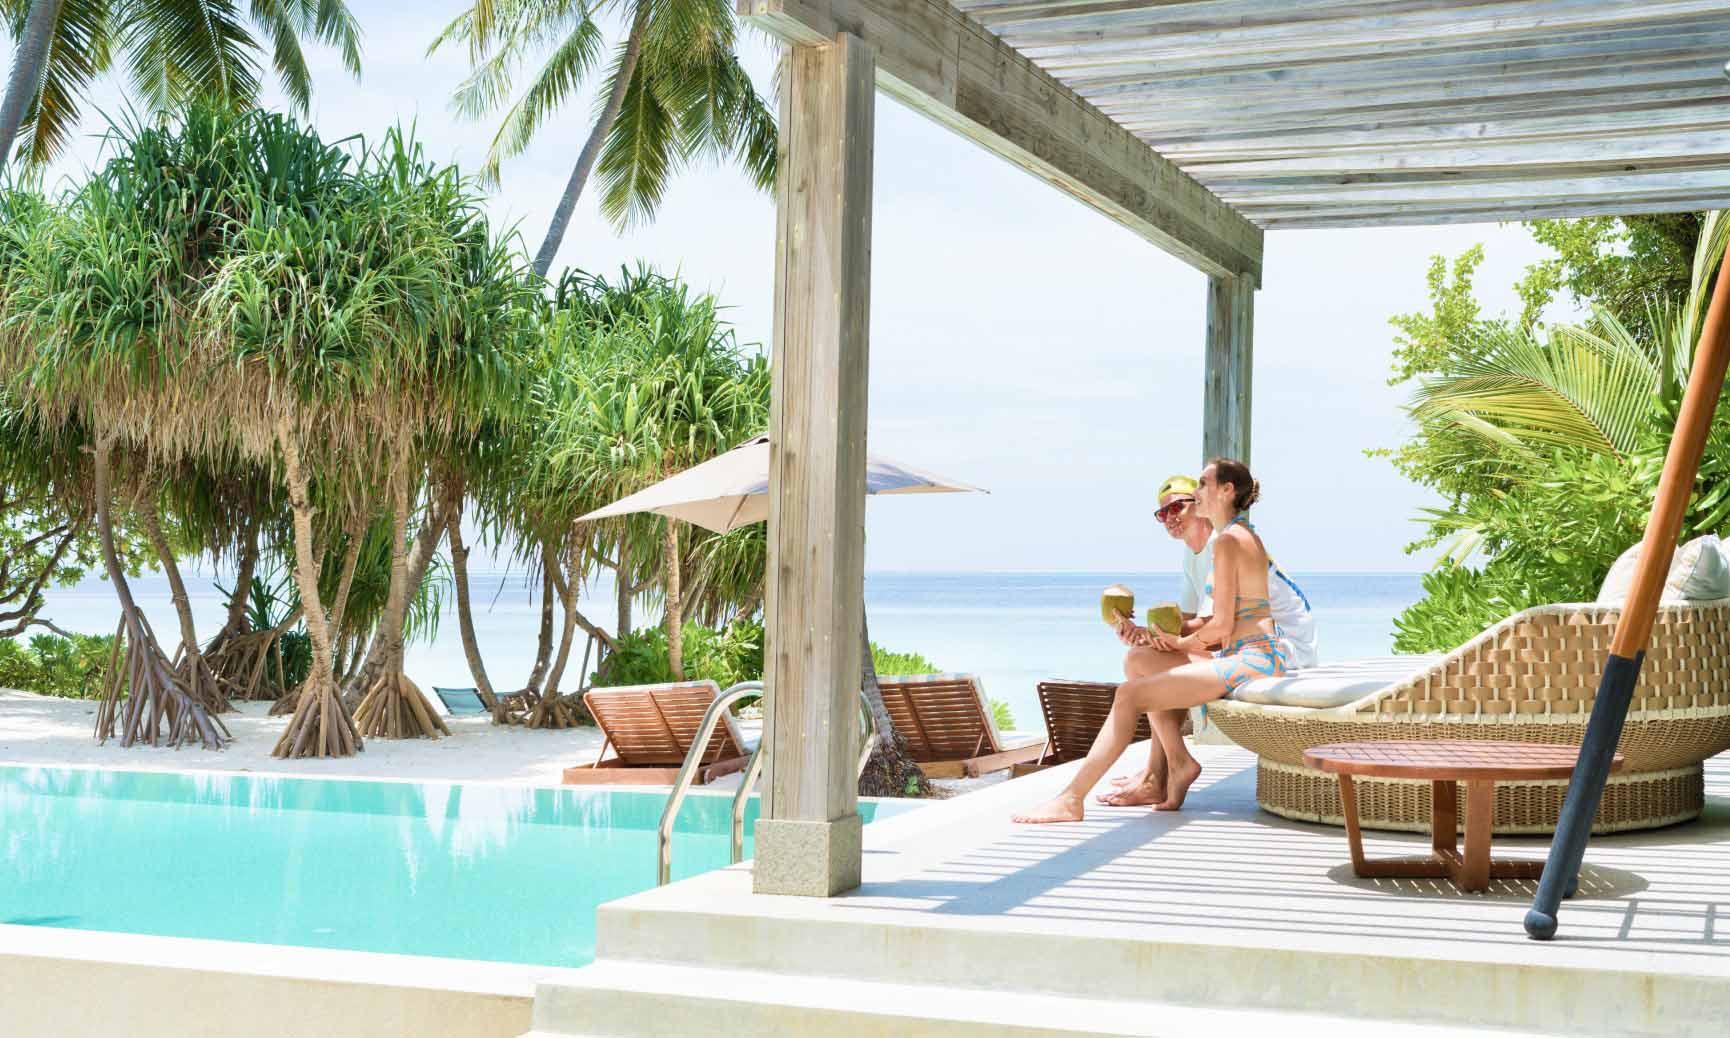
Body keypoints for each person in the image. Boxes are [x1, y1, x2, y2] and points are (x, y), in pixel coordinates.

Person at [1015, 458, 1291, 823]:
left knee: (1129, 694)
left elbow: (1221, 627)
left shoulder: (1227, 541)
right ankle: (1178, 763)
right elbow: (1218, 623)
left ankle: (1071, 798)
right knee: (1141, 660)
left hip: (1253, 660)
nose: (1197, 491)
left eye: (1203, 484)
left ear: (1227, 491)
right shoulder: (1240, 536)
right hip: (1248, 656)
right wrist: (1159, 640)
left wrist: (1177, 645)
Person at [1101, 472, 1319, 806]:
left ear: (1202, 504)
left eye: (1178, 507)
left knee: (1143, 665)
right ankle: (1160, 771)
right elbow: (1192, 624)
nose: (1170, 518)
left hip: (1280, 652)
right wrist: (1146, 635)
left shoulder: (1224, 544)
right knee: (1141, 657)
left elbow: (1214, 632)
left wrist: (1161, 640)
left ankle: (1162, 771)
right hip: (1243, 647)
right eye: (1163, 514)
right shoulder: (1196, 555)